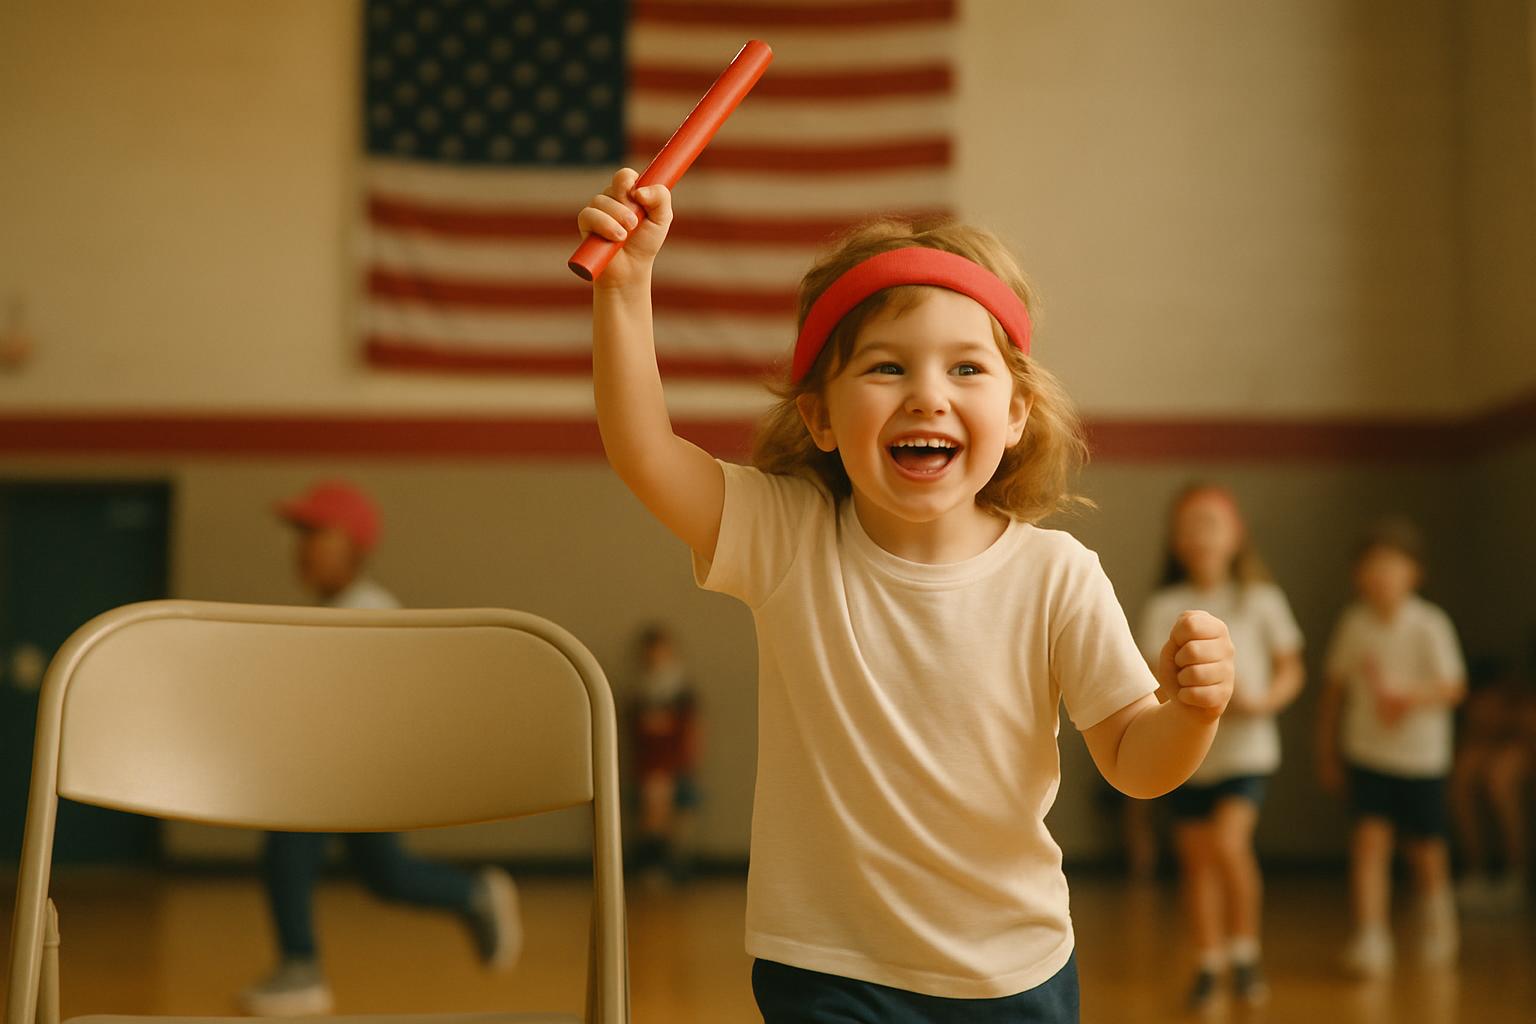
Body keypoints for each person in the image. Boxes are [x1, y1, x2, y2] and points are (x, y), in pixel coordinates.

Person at [577, 170, 1236, 1021]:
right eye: (887, 367)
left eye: (966, 367)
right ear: (818, 418)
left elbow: (1134, 761)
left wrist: (1190, 716)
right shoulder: (788, 537)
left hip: (1015, 971)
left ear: (1016, 415)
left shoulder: (1057, 575)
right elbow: (643, 450)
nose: (929, 393)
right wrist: (625, 290)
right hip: (826, 968)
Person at [240, 480, 522, 1017]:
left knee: (289, 837)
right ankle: (474, 894)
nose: (301, 546)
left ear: (353, 545)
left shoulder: (366, 609)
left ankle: (300, 966)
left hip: (359, 770)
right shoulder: (336, 608)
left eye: (315, 533)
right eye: (299, 534)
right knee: (386, 876)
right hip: (356, 772)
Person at [1137, 484, 1305, 1010]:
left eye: (1212, 522)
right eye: (1190, 524)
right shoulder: (1164, 604)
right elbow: (1151, 679)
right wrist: (1189, 701)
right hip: (1190, 756)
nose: (1201, 534)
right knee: (1196, 862)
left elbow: (1291, 668)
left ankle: (1244, 950)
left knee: (1230, 846)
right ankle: (1208, 961)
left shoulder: (1261, 599)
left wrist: (1261, 702)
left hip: (1246, 753)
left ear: (1236, 535)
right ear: (1176, 539)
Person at [1317, 518, 1466, 977]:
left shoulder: (1429, 624)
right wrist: (1327, 750)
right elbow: (1334, 692)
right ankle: (1371, 936)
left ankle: (1438, 924)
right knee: (1369, 844)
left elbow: (1454, 686)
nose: (1379, 576)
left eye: (1390, 566)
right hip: (1368, 753)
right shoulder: (1355, 623)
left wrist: (1409, 696)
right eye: (1371, 567)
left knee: (1427, 850)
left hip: (1421, 758)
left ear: (1413, 573)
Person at [1451, 655, 1532, 912]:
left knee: (1501, 776)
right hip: (1508, 744)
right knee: (1463, 773)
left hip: (1522, 749)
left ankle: (1516, 873)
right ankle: (1478, 870)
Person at [628, 624, 702, 884]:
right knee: (652, 810)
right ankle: (652, 866)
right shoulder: (640, 690)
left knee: (673, 815)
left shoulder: (681, 690)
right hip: (650, 764)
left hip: (675, 764)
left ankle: (670, 867)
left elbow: (690, 731)